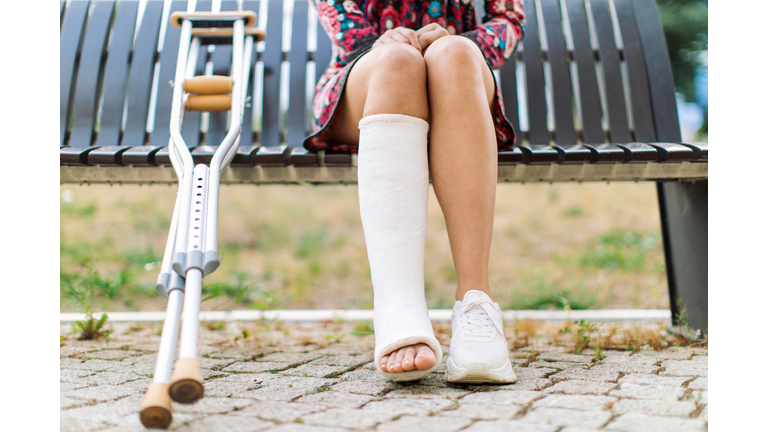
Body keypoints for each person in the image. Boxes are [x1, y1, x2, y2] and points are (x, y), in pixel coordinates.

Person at [303, 0, 526, 383]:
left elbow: (508, 20)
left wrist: (462, 38)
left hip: (459, 80)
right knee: (398, 61)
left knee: (453, 54)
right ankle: (398, 308)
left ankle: (476, 306)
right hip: (365, 72)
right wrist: (381, 41)